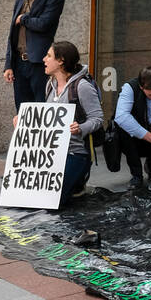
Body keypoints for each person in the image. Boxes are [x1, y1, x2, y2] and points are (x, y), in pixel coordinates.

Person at [38, 41, 103, 206]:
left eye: (49, 56)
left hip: (75, 152)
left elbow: (97, 119)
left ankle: (77, 182)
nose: (44, 59)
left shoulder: (82, 87)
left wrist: (81, 128)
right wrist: (23, 120)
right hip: (51, 152)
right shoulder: (50, 85)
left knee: (54, 198)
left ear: (60, 61)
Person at [3, 0, 65, 110]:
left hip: (40, 63)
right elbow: (13, 35)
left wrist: (23, 18)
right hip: (19, 63)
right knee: (23, 110)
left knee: (41, 109)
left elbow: (44, 24)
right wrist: (8, 65)